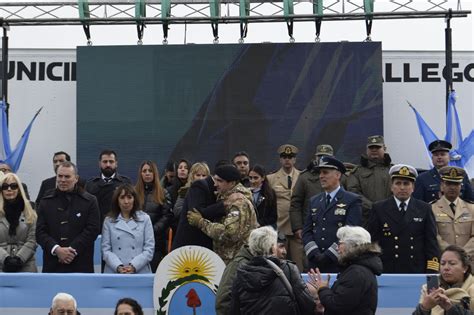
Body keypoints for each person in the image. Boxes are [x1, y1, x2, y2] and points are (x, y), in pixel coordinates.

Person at [368, 164, 440, 273]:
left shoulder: (424, 208)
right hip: (387, 268)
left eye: (406, 184)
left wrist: (432, 270)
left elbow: (431, 242)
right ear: (391, 187)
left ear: (413, 187)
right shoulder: (379, 208)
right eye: (398, 183)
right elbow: (373, 242)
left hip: (416, 269)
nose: (402, 187)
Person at [230, 226, 316, 315]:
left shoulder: (241, 273)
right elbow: (307, 304)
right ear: (272, 247)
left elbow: (234, 310)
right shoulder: (289, 269)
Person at [36, 161, 101, 273]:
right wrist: (57, 250)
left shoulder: (90, 201)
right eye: (60, 176)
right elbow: (40, 232)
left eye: (67, 177)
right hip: (52, 265)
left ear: (76, 178)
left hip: (81, 264)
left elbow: (92, 230)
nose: (62, 180)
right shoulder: (45, 201)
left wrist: (71, 251)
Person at [187, 165, 258, 264]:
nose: (215, 184)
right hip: (228, 259)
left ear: (232, 183)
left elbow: (229, 234)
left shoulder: (238, 203)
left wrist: (201, 223)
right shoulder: (226, 196)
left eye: (219, 181)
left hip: (235, 261)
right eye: (215, 180)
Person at [303, 156, 362, 273]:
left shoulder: (352, 200)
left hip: (339, 262)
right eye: (320, 173)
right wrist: (315, 253)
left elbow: (350, 233)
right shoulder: (314, 201)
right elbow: (307, 231)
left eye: (325, 172)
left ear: (338, 175)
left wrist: (329, 255)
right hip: (315, 264)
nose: (321, 176)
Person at [307, 226, 383, 315]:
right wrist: (327, 291)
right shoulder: (358, 270)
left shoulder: (356, 273)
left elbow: (337, 306)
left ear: (351, 246)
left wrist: (322, 289)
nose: (336, 248)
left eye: (339, 243)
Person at [216, 227, 289, 315]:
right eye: (278, 246)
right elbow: (223, 301)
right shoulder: (238, 265)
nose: (283, 252)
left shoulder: (272, 265)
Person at [289, 144, 334, 268]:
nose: (322, 159)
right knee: (310, 263)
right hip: (311, 229)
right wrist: (297, 227)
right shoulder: (305, 177)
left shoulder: (340, 176)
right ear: (315, 157)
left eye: (326, 156)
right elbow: (295, 203)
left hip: (334, 229)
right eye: (320, 156)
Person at [102, 184, 154, 274]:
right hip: (114, 272)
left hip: (140, 271)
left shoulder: (145, 219)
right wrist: (118, 266)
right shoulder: (109, 221)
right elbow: (105, 250)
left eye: (129, 197)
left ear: (134, 199)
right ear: (117, 200)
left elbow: (149, 249)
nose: (126, 202)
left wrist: (134, 266)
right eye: (122, 198)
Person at [267, 144, 303, 271]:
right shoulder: (271, 178)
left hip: (297, 228)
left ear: (295, 159)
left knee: (299, 265)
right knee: (278, 265)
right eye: (284, 157)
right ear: (280, 159)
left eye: (290, 157)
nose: (287, 159)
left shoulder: (303, 177)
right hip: (279, 227)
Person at [432, 166, 474, 270]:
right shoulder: (431, 209)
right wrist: (452, 256)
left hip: (468, 264)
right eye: (448, 183)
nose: (452, 187)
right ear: (442, 186)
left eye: (456, 184)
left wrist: (462, 255)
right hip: (444, 264)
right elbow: (435, 236)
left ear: (461, 186)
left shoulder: (471, 208)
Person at [347, 135, 393, 227]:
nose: (374, 150)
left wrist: (386, 207)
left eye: (377, 147)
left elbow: (399, 191)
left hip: (390, 217)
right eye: (371, 147)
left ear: (384, 148)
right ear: (366, 150)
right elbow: (353, 192)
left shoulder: (393, 170)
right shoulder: (357, 172)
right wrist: (372, 207)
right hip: (365, 220)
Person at [413, 245, 474, 315]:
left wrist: (450, 308)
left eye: (452, 263)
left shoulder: (472, 289)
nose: (446, 268)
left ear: (465, 268)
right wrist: (424, 308)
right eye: (442, 263)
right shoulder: (429, 290)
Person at [135, 160, 173, 271]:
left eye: (150, 171)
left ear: (155, 173)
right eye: (144, 171)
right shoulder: (133, 193)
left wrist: (151, 230)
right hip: (136, 242)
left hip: (156, 242)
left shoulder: (163, 193)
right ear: (140, 174)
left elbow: (167, 216)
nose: (147, 173)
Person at [0, 173, 37, 272]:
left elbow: (32, 240)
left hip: (26, 266)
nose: (9, 189)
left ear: (19, 189)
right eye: (5, 187)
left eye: (13, 186)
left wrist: (20, 258)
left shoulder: (30, 213)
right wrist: (6, 259)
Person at [85, 149, 131, 225]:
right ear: (99, 164)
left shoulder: (125, 182)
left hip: (118, 226)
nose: (108, 165)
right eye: (105, 162)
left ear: (116, 164)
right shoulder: (90, 184)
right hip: (96, 227)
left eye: (111, 162)